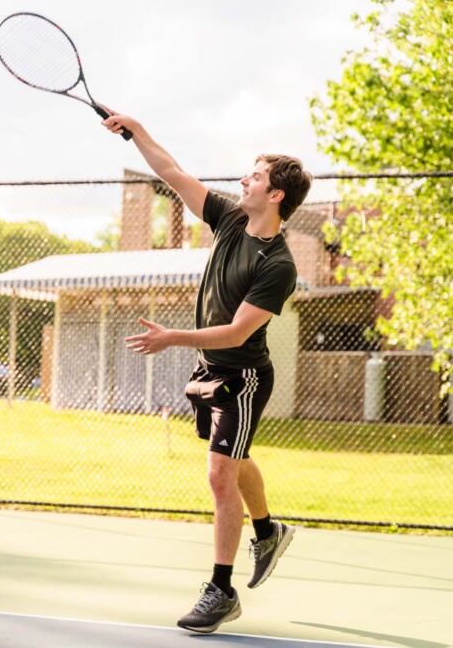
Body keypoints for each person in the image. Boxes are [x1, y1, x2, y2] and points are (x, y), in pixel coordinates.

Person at [102, 110, 312, 634]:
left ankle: (221, 590)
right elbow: (170, 172)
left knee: (220, 473)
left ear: (276, 195)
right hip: (208, 372)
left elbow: (238, 333)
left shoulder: (278, 265)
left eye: (256, 176)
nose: (245, 180)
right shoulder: (230, 218)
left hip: (242, 379)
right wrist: (137, 130)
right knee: (235, 463)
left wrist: (171, 337)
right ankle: (268, 530)